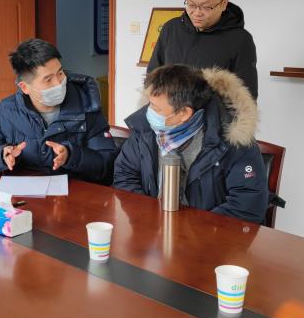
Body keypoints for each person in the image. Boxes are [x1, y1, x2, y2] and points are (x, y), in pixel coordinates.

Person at [113, 63, 268, 223]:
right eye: (149, 103)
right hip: (153, 228)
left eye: (156, 108)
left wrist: (190, 229)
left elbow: (247, 205)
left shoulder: (233, 141)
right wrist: (151, 216)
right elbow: (124, 174)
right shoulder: (146, 130)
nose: (148, 112)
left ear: (184, 113)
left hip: (208, 234)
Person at [0, 39, 117, 183]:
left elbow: (107, 165)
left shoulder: (87, 106)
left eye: (60, 73)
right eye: (48, 79)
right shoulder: (4, 111)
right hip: (25, 194)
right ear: (25, 87)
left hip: (75, 192)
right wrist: (2, 155)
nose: (59, 83)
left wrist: (71, 155)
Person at [146, 0, 258, 99]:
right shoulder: (171, 28)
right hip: (168, 111)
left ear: (224, 4)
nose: (197, 12)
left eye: (206, 7)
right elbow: (153, 76)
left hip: (212, 112)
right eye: (191, 4)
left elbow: (245, 97)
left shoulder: (240, 39)